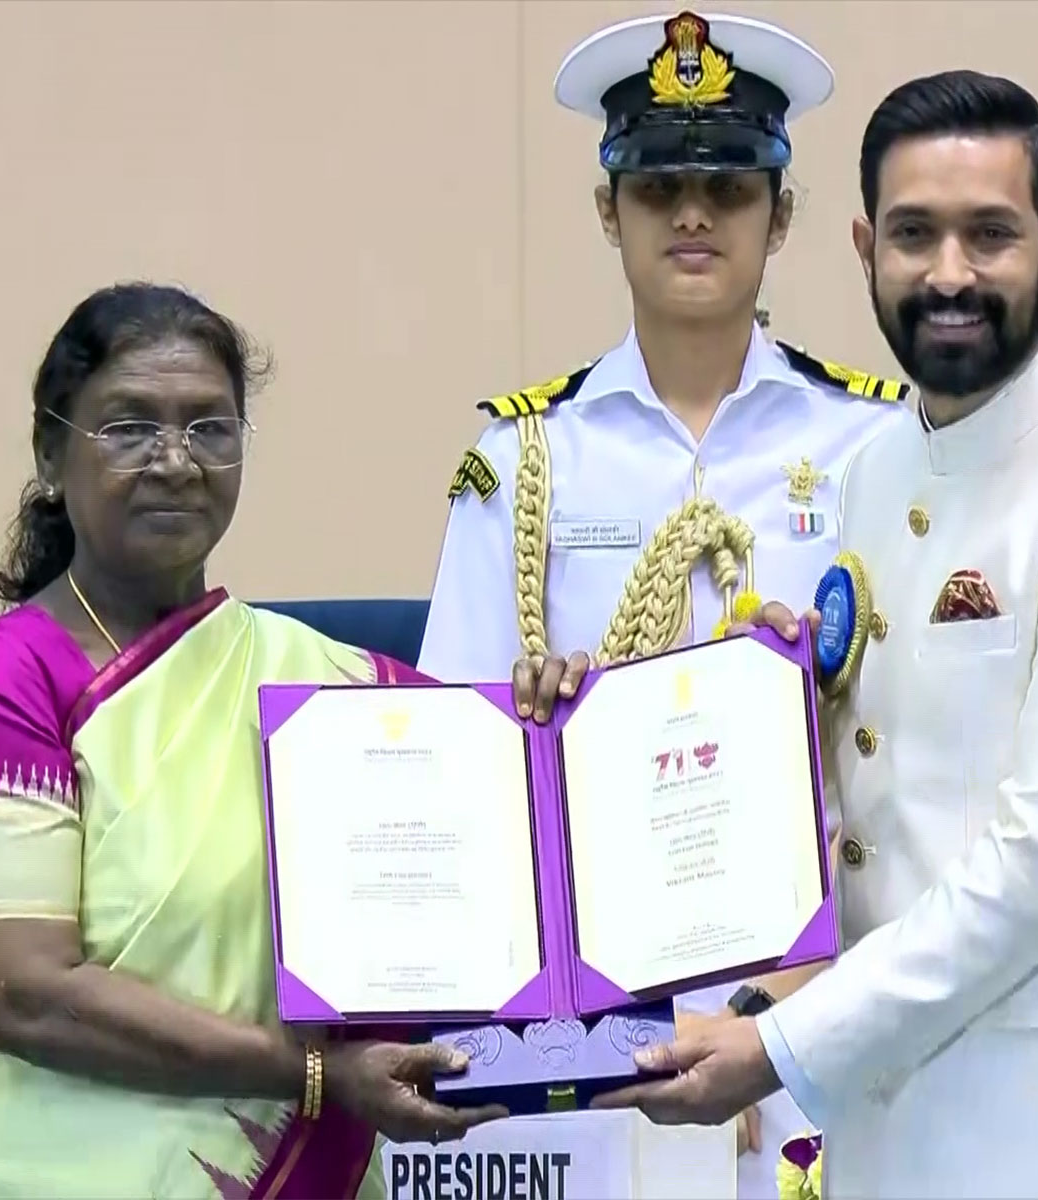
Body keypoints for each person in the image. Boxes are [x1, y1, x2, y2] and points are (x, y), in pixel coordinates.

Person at [594, 70, 1038, 1199]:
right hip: (889, 1139)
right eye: (912, 235)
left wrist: (776, 1048)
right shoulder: (877, 472)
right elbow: (868, 818)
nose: (948, 274)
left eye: (989, 234)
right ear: (862, 249)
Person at [414, 10, 912, 1197]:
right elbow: (451, 749)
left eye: (729, 188)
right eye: (658, 187)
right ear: (608, 213)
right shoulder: (526, 459)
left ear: (779, 216)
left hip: (817, 1014)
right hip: (590, 1035)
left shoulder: (874, 448)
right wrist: (526, 717)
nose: (693, 215)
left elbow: (917, 745)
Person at [0, 283, 505, 1199]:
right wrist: (311, 1077)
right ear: (52, 450)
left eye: (210, 428)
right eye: (129, 426)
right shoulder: (9, 679)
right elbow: (18, 993)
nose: (175, 460)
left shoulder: (320, 686)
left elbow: (512, 800)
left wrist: (549, 722)